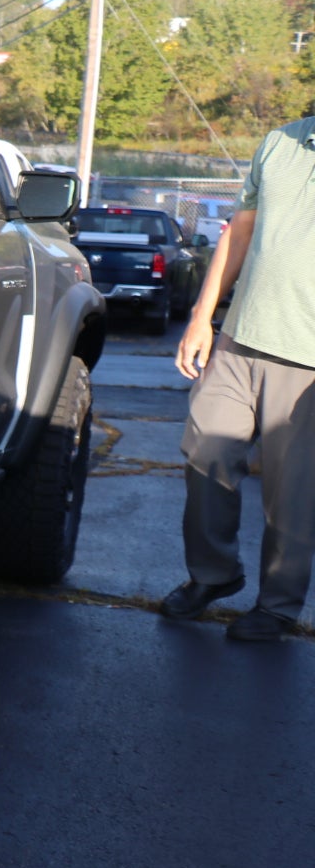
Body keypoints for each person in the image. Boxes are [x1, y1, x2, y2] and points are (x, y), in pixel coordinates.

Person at [164, 116, 315, 640]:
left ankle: (278, 605)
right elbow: (240, 231)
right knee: (205, 449)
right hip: (239, 337)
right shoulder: (281, 142)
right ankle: (215, 574)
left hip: (308, 358)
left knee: (291, 489)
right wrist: (203, 317)